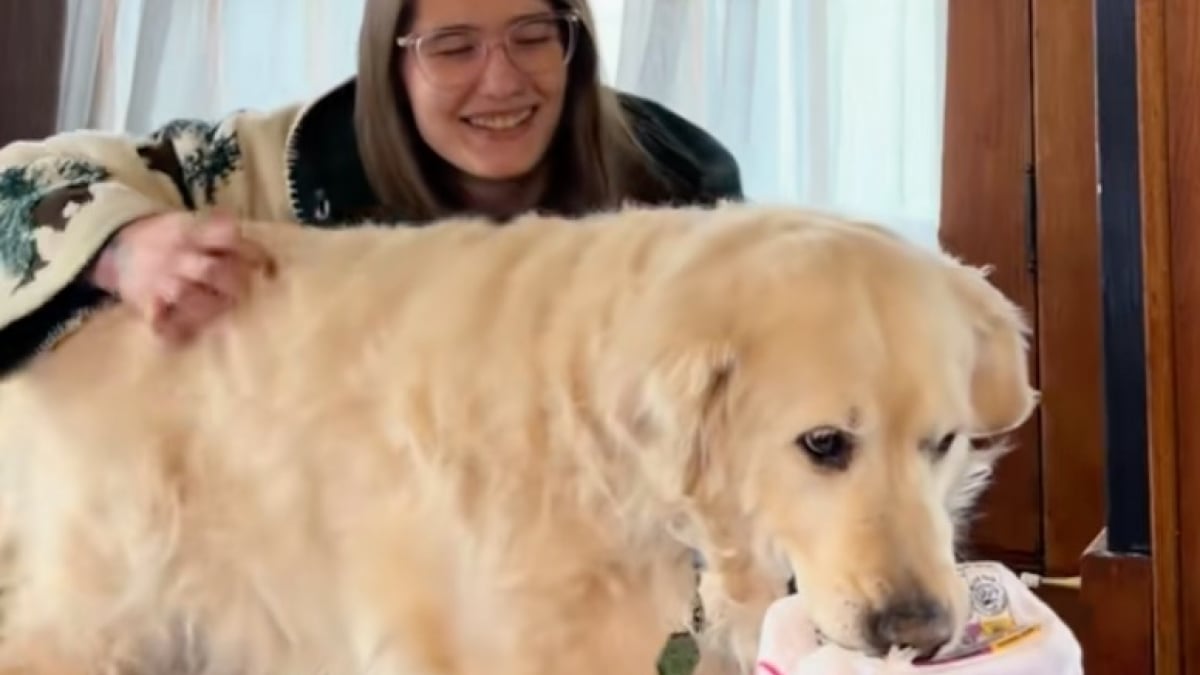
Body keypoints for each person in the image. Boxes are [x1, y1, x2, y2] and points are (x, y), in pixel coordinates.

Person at [0, 0, 743, 376]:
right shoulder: (266, 168)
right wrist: (121, 248)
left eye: (531, 34)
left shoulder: (675, 181)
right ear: (390, 66)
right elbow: (16, 182)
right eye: (453, 47)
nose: (503, 78)